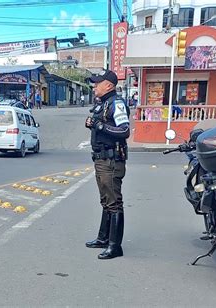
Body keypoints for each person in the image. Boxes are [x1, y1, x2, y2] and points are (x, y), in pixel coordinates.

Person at [85, 69, 130, 260]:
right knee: (105, 201)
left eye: (98, 83)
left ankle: (115, 246)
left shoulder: (116, 104)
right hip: (101, 159)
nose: (95, 86)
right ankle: (103, 238)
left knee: (114, 203)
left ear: (109, 86)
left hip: (111, 161)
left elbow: (124, 130)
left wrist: (99, 125)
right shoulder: (104, 104)